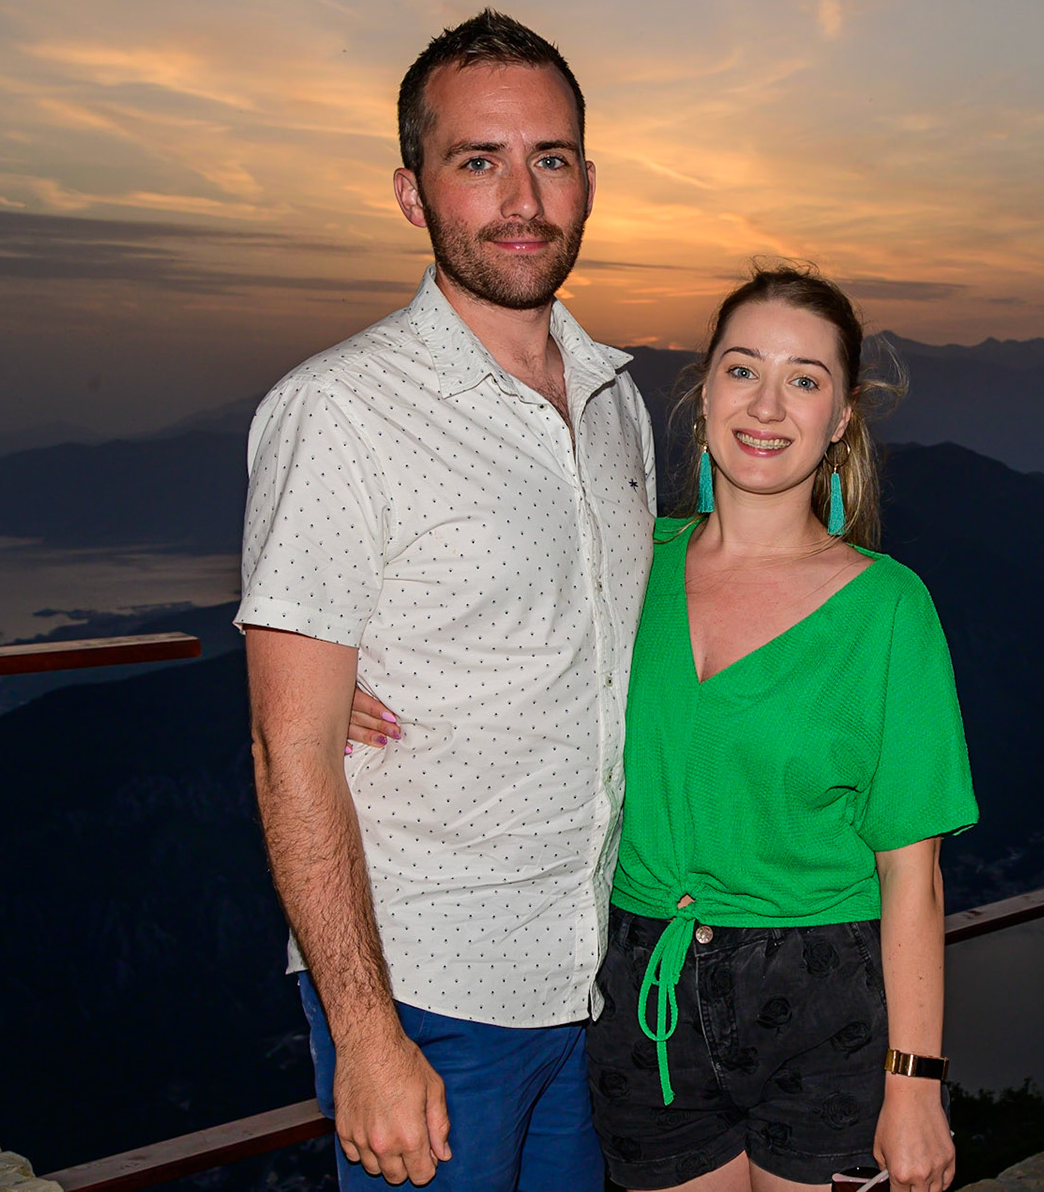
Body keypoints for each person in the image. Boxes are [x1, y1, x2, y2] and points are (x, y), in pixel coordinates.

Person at [353, 266, 978, 1192]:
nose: (767, 406)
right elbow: (494, 655)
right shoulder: (629, 561)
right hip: (644, 1002)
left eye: (805, 379)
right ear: (704, 389)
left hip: (825, 1003)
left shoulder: (888, 610)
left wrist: (915, 1082)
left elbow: (913, 876)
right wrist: (351, 681)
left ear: (842, 417)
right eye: (743, 369)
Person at [239, 10, 656, 1192]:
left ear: (587, 182)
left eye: (550, 158)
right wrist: (365, 1033)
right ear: (412, 193)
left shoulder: (618, 403)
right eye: (479, 160)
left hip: (590, 977)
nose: (523, 197)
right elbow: (288, 749)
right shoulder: (340, 412)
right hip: (430, 997)